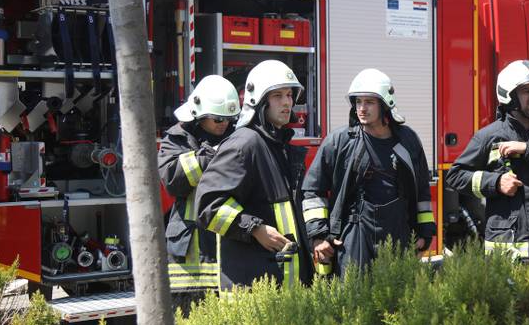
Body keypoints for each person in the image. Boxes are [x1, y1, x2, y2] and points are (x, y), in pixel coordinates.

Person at [445, 60, 529, 264]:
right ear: (509, 96)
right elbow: (456, 176)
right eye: (527, 91)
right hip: (510, 255)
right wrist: (496, 183)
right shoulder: (489, 137)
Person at [301, 68, 435, 276]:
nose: (361, 109)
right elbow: (312, 191)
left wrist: (425, 232)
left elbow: (422, 191)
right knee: (354, 300)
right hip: (354, 234)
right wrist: (318, 235)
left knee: (397, 297)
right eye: (358, 102)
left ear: (385, 104)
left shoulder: (407, 140)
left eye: (369, 102)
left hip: (398, 232)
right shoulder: (339, 142)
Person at [195, 60, 312, 290]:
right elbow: (209, 206)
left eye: (289, 94)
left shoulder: (281, 147)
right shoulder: (244, 144)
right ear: (258, 100)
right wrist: (255, 229)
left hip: (283, 287)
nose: (287, 102)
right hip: (253, 290)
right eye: (277, 95)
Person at [158, 74, 239, 295]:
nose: (225, 124)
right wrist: (207, 157)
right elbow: (172, 181)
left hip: (230, 244)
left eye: (229, 119)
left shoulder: (237, 138)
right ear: (199, 114)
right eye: (218, 119)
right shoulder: (177, 139)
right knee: (188, 320)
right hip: (190, 254)